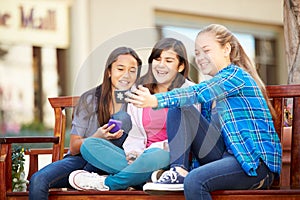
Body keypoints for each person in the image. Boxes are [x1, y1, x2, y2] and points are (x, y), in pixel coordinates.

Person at [126, 24, 282, 200]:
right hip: (225, 157)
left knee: (195, 181)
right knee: (181, 108)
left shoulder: (234, 77)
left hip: (253, 163)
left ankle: (183, 175)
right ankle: (178, 171)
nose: (200, 57)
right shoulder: (213, 91)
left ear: (226, 49)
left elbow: (196, 92)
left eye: (206, 50)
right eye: (197, 53)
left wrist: (155, 100)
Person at [68, 38, 196, 191]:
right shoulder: (140, 90)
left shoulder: (190, 92)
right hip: (139, 157)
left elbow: (188, 135)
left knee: (154, 155)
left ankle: (106, 183)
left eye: (168, 60)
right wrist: (133, 154)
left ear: (181, 66)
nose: (161, 65)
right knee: (89, 145)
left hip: (168, 155)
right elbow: (135, 134)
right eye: (157, 59)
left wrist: (147, 154)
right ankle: (151, 177)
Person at [28, 46, 143, 200]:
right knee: (38, 179)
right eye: (120, 69)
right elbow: (74, 147)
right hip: (80, 160)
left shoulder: (139, 101)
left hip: (113, 163)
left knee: (122, 118)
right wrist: (97, 137)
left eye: (132, 70)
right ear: (109, 71)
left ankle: (91, 176)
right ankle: (85, 176)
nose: (126, 75)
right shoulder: (89, 99)